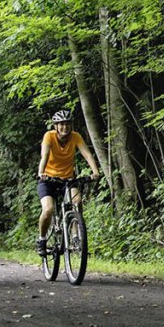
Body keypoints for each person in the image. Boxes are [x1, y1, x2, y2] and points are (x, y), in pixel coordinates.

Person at [36, 109, 100, 255]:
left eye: (67, 124)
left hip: (68, 179)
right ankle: (42, 239)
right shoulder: (49, 136)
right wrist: (41, 173)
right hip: (48, 179)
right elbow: (44, 155)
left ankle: (76, 236)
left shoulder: (75, 137)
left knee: (77, 201)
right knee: (48, 209)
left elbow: (87, 154)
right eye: (61, 124)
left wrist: (95, 171)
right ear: (56, 126)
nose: (65, 127)